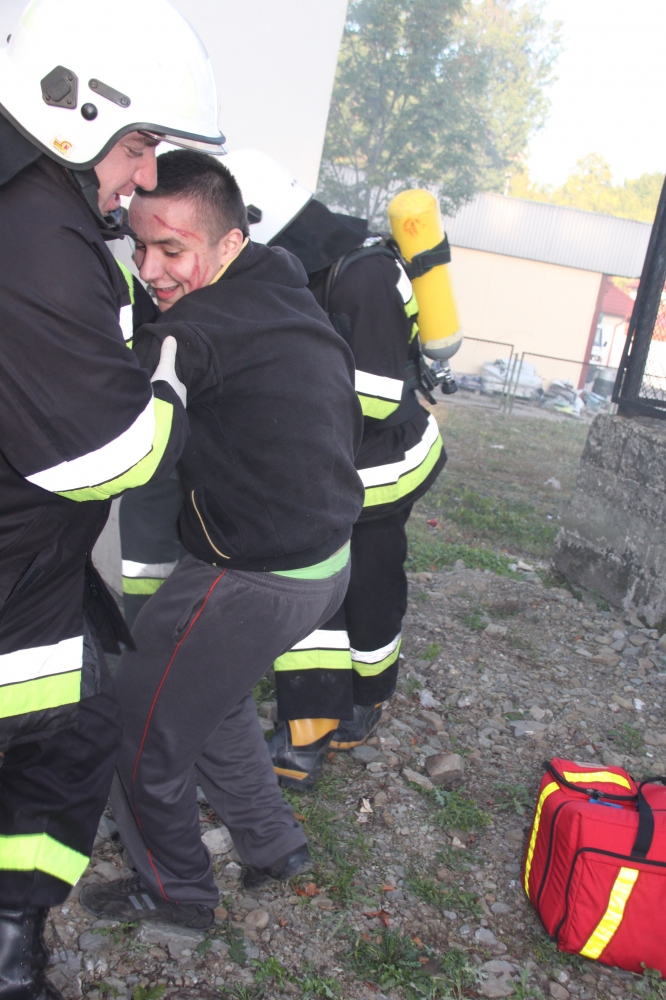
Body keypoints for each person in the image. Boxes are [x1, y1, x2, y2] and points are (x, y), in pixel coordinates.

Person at [0, 0, 224, 994]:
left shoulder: (36, 210)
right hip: (17, 573)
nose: (144, 175)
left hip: (32, 567)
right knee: (71, 738)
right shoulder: (38, 232)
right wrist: (166, 380)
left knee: (77, 731)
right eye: (138, 146)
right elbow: (109, 452)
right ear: (73, 108)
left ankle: (11, 940)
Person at [79, 150, 364, 929]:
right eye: (138, 245)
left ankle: (177, 893)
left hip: (251, 577)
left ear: (230, 242)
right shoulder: (283, 287)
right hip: (326, 563)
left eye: (172, 249)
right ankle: (274, 846)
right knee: (212, 693)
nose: (149, 269)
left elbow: (124, 450)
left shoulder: (191, 333)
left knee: (139, 727)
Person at [222, 151, 449, 790]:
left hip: (380, 469)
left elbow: (374, 399)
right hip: (330, 465)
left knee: (363, 588)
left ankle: (355, 705)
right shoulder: (314, 268)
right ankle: (319, 716)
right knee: (324, 589)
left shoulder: (361, 277)